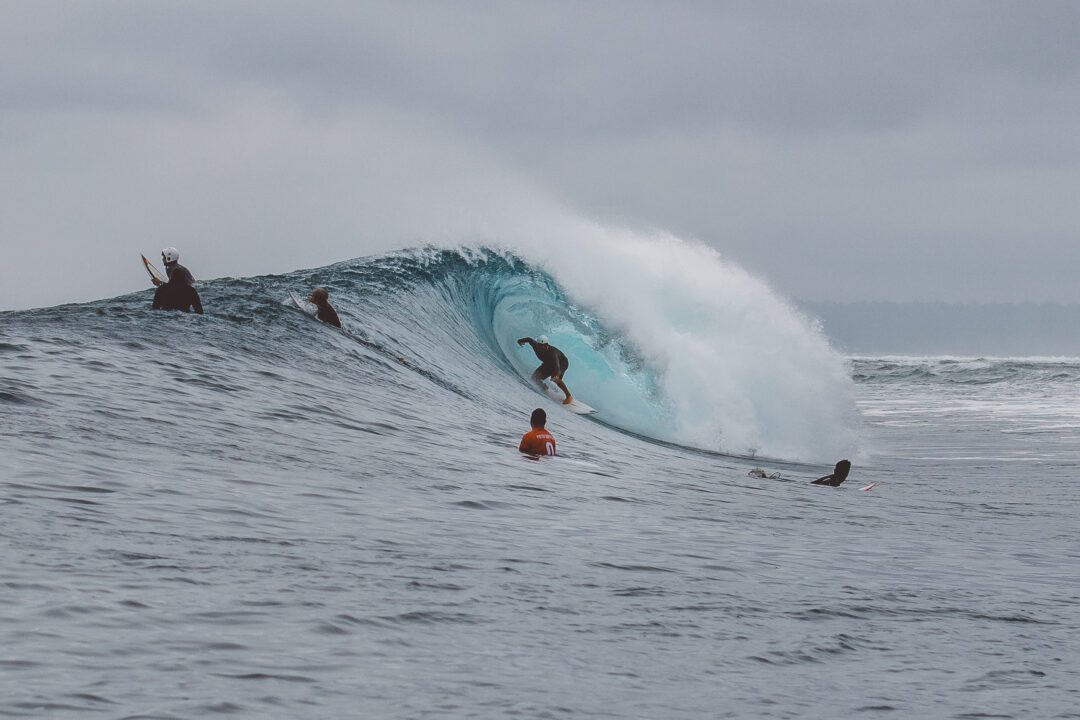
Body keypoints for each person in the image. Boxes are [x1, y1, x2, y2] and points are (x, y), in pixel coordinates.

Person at [517, 335, 573, 404]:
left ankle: (569, 396)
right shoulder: (536, 346)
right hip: (548, 363)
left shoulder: (552, 353)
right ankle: (544, 388)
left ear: (547, 345)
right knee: (534, 378)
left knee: (555, 378)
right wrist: (520, 341)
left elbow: (557, 366)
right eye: (539, 345)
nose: (541, 348)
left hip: (561, 363)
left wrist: (557, 375)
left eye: (543, 346)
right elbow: (529, 339)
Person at [152, 247, 203, 314]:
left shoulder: (172, 269)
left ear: (169, 258)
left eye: (164, 257)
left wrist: (160, 283)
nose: (162, 259)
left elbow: (175, 286)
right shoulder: (180, 267)